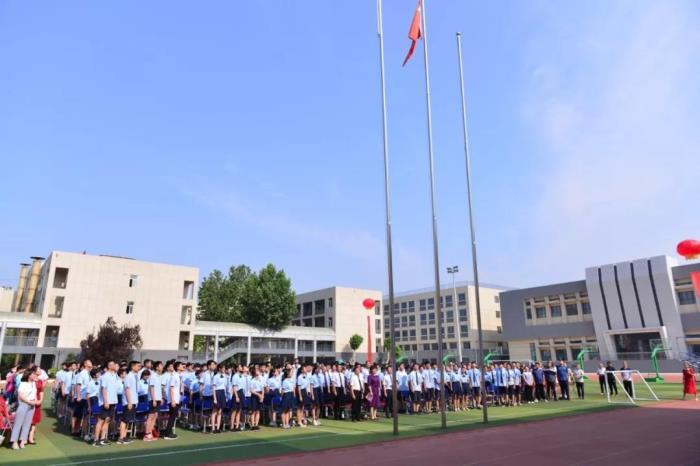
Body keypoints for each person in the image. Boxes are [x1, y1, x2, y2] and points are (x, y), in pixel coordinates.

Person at [10, 366, 38, 450]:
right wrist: (30, 402)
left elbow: (34, 394)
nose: (35, 375)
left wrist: (35, 401)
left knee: (27, 424)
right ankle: (14, 442)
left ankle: (22, 441)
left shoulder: (34, 384)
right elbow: (21, 396)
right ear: (29, 375)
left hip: (32, 405)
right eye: (33, 374)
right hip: (24, 405)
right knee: (18, 423)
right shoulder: (23, 384)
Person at [93, 359, 119, 447]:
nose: (115, 365)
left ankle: (103, 438)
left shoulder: (115, 375)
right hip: (106, 402)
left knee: (107, 420)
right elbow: (103, 389)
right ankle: (96, 440)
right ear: (109, 366)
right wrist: (105, 401)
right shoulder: (105, 376)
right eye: (113, 364)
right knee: (101, 420)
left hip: (113, 401)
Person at [28, 366, 44, 445]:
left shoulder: (40, 380)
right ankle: (27, 437)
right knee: (29, 419)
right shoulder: (30, 380)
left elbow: (41, 391)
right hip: (30, 400)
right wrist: (35, 400)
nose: (40, 370)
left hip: (38, 401)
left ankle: (31, 437)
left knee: (34, 420)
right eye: (39, 369)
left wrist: (40, 400)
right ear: (34, 371)